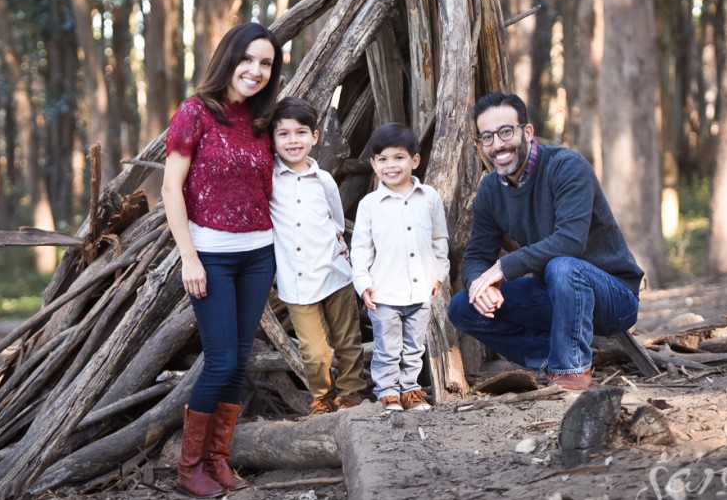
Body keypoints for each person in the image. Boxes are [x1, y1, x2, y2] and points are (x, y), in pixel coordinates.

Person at [447, 92, 644, 392]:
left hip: (614, 297)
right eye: (487, 137)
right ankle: (552, 361)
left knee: (563, 266)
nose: (497, 144)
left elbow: (569, 242)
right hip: (555, 295)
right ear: (479, 145)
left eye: (505, 132)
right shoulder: (490, 190)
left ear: (527, 132)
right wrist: (481, 285)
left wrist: (502, 269)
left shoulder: (566, 166)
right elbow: (476, 255)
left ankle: (572, 372)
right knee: (463, 307)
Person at [161, 22, 282, 498]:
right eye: (248, 59)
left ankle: (218, 461)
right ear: (229, 58)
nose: (255, 70)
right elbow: (172, 188)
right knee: (220, 360)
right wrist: (188, 257)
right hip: (210, 255)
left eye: (266, 63)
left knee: (239, 363)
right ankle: (189, 467)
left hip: (258, 254)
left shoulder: (260, 120)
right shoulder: (195, 112)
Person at [269, 97, 367, 417]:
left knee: (347, 340)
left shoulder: (323, 179)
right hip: (295, 280)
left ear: (315, 136)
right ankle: (322, 396)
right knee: (314, 351)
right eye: (283, 134)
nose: (292, 140)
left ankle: (352, 392)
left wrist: (338, 255)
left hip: (334, 272)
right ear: (272, 139)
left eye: (300, 132)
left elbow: (336, 221)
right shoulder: (269, 181)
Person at [351, 123, 450, 412]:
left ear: (415, 161)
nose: (390, 165)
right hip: (384, 292)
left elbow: (439, 239)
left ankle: (411, 389)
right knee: (387, 348)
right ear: (373, 164)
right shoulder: (370, 204)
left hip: (421, 291)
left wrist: (438, 275)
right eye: (382, 159)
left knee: (414, 347)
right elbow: (361, 249)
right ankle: (388, 391)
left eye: (399, 157)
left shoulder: (429, 197)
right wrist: (362, 283)